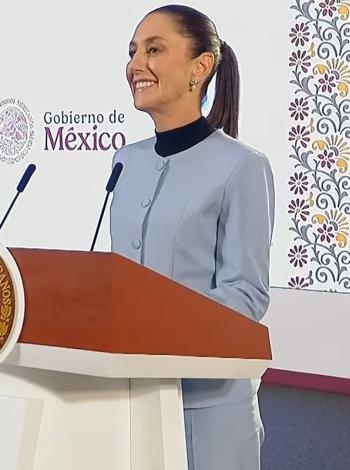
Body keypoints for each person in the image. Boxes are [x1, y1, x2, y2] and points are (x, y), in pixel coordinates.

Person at [109, 4, 275, 469]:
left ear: (200, 68)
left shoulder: (243, 166)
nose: (135, 64)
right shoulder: (126, 160)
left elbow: (246, 294)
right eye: (133, 52)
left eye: (154, 49)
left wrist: (160, 323)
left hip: (206, 405)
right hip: (129, 393)